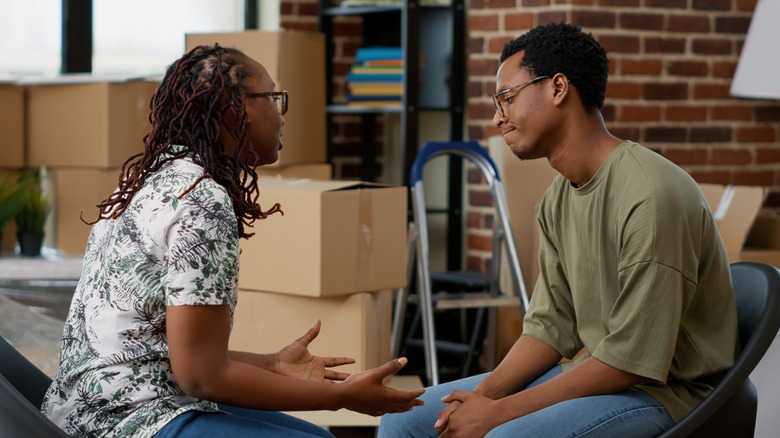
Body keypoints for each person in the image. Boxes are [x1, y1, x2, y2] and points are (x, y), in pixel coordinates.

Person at [41, 44, 424, 438]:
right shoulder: (201, 200)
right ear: (232, 107)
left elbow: (168, 352)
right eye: (273, 98)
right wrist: (339, 397)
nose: (280, 115)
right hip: (126, 421)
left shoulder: (153, 181)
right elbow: (202, 377)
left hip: (83, 409)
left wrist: (274, 364)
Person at [378, 22, 737, 438]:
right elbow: (551, 327)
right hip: (594, 373)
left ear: (558, 88)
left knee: (504, 436)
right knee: (403, 423)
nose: (498, 118)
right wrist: (482, 396)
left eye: (507, 98)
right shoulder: (558, 198)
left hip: (664, 393)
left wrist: (498, 414)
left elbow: (628, 361)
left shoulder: (651, 195)